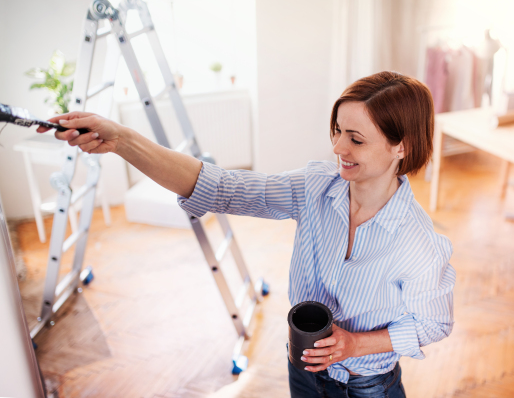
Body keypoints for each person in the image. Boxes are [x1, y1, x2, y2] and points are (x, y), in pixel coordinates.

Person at [40, 71, 455, 398]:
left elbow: (433, 323)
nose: (337, 148)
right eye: (337, 131)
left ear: (401, 146)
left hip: (368, 387)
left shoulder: (416, 241)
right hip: (304, 370)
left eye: (356, 139)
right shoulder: (316, 187)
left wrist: (355, 345)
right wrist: (122, 141)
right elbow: (223, 187)